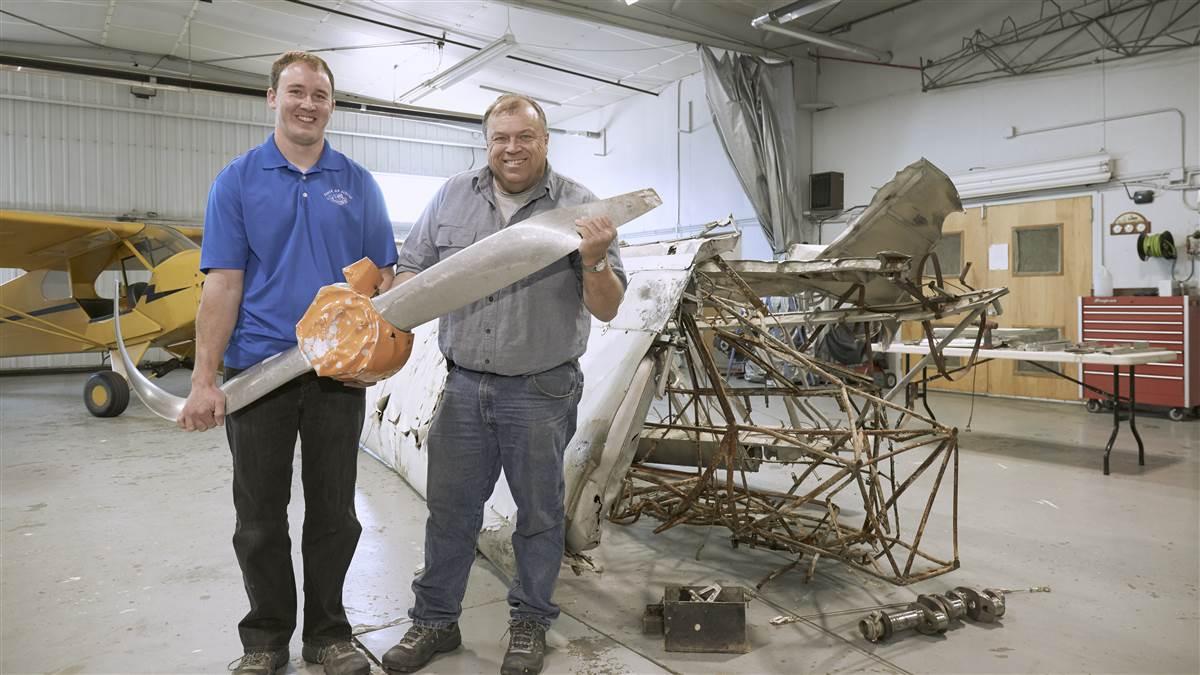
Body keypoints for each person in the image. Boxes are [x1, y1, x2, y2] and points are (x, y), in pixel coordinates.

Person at [381, 94, 625, 675]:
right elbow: (415, 267)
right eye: (500, 138)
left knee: (539, 516)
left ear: (545, 141)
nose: (511, 148)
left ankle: (530, 623)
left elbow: (610, 307)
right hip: (463, 386)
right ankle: (435, 622)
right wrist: (405, 294)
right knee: (449, 512)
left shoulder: (579, 207)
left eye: (524, 137)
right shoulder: (450, 197)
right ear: (486, 141)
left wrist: (593, 258)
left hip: (540, 391)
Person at [178, 51, 396, 675]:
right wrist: (204, 380)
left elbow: (384, 277)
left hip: (335, 376)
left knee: (335, 513)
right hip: (258, 374)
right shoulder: (238, 180)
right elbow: (221, 285)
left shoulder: (357, 182)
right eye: (296, 92)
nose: (308, 104)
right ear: (272, 98)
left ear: (332, 104)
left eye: (320, 95)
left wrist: (377, 355)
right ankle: (266, 638)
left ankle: (329, 632)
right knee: (259, 518)